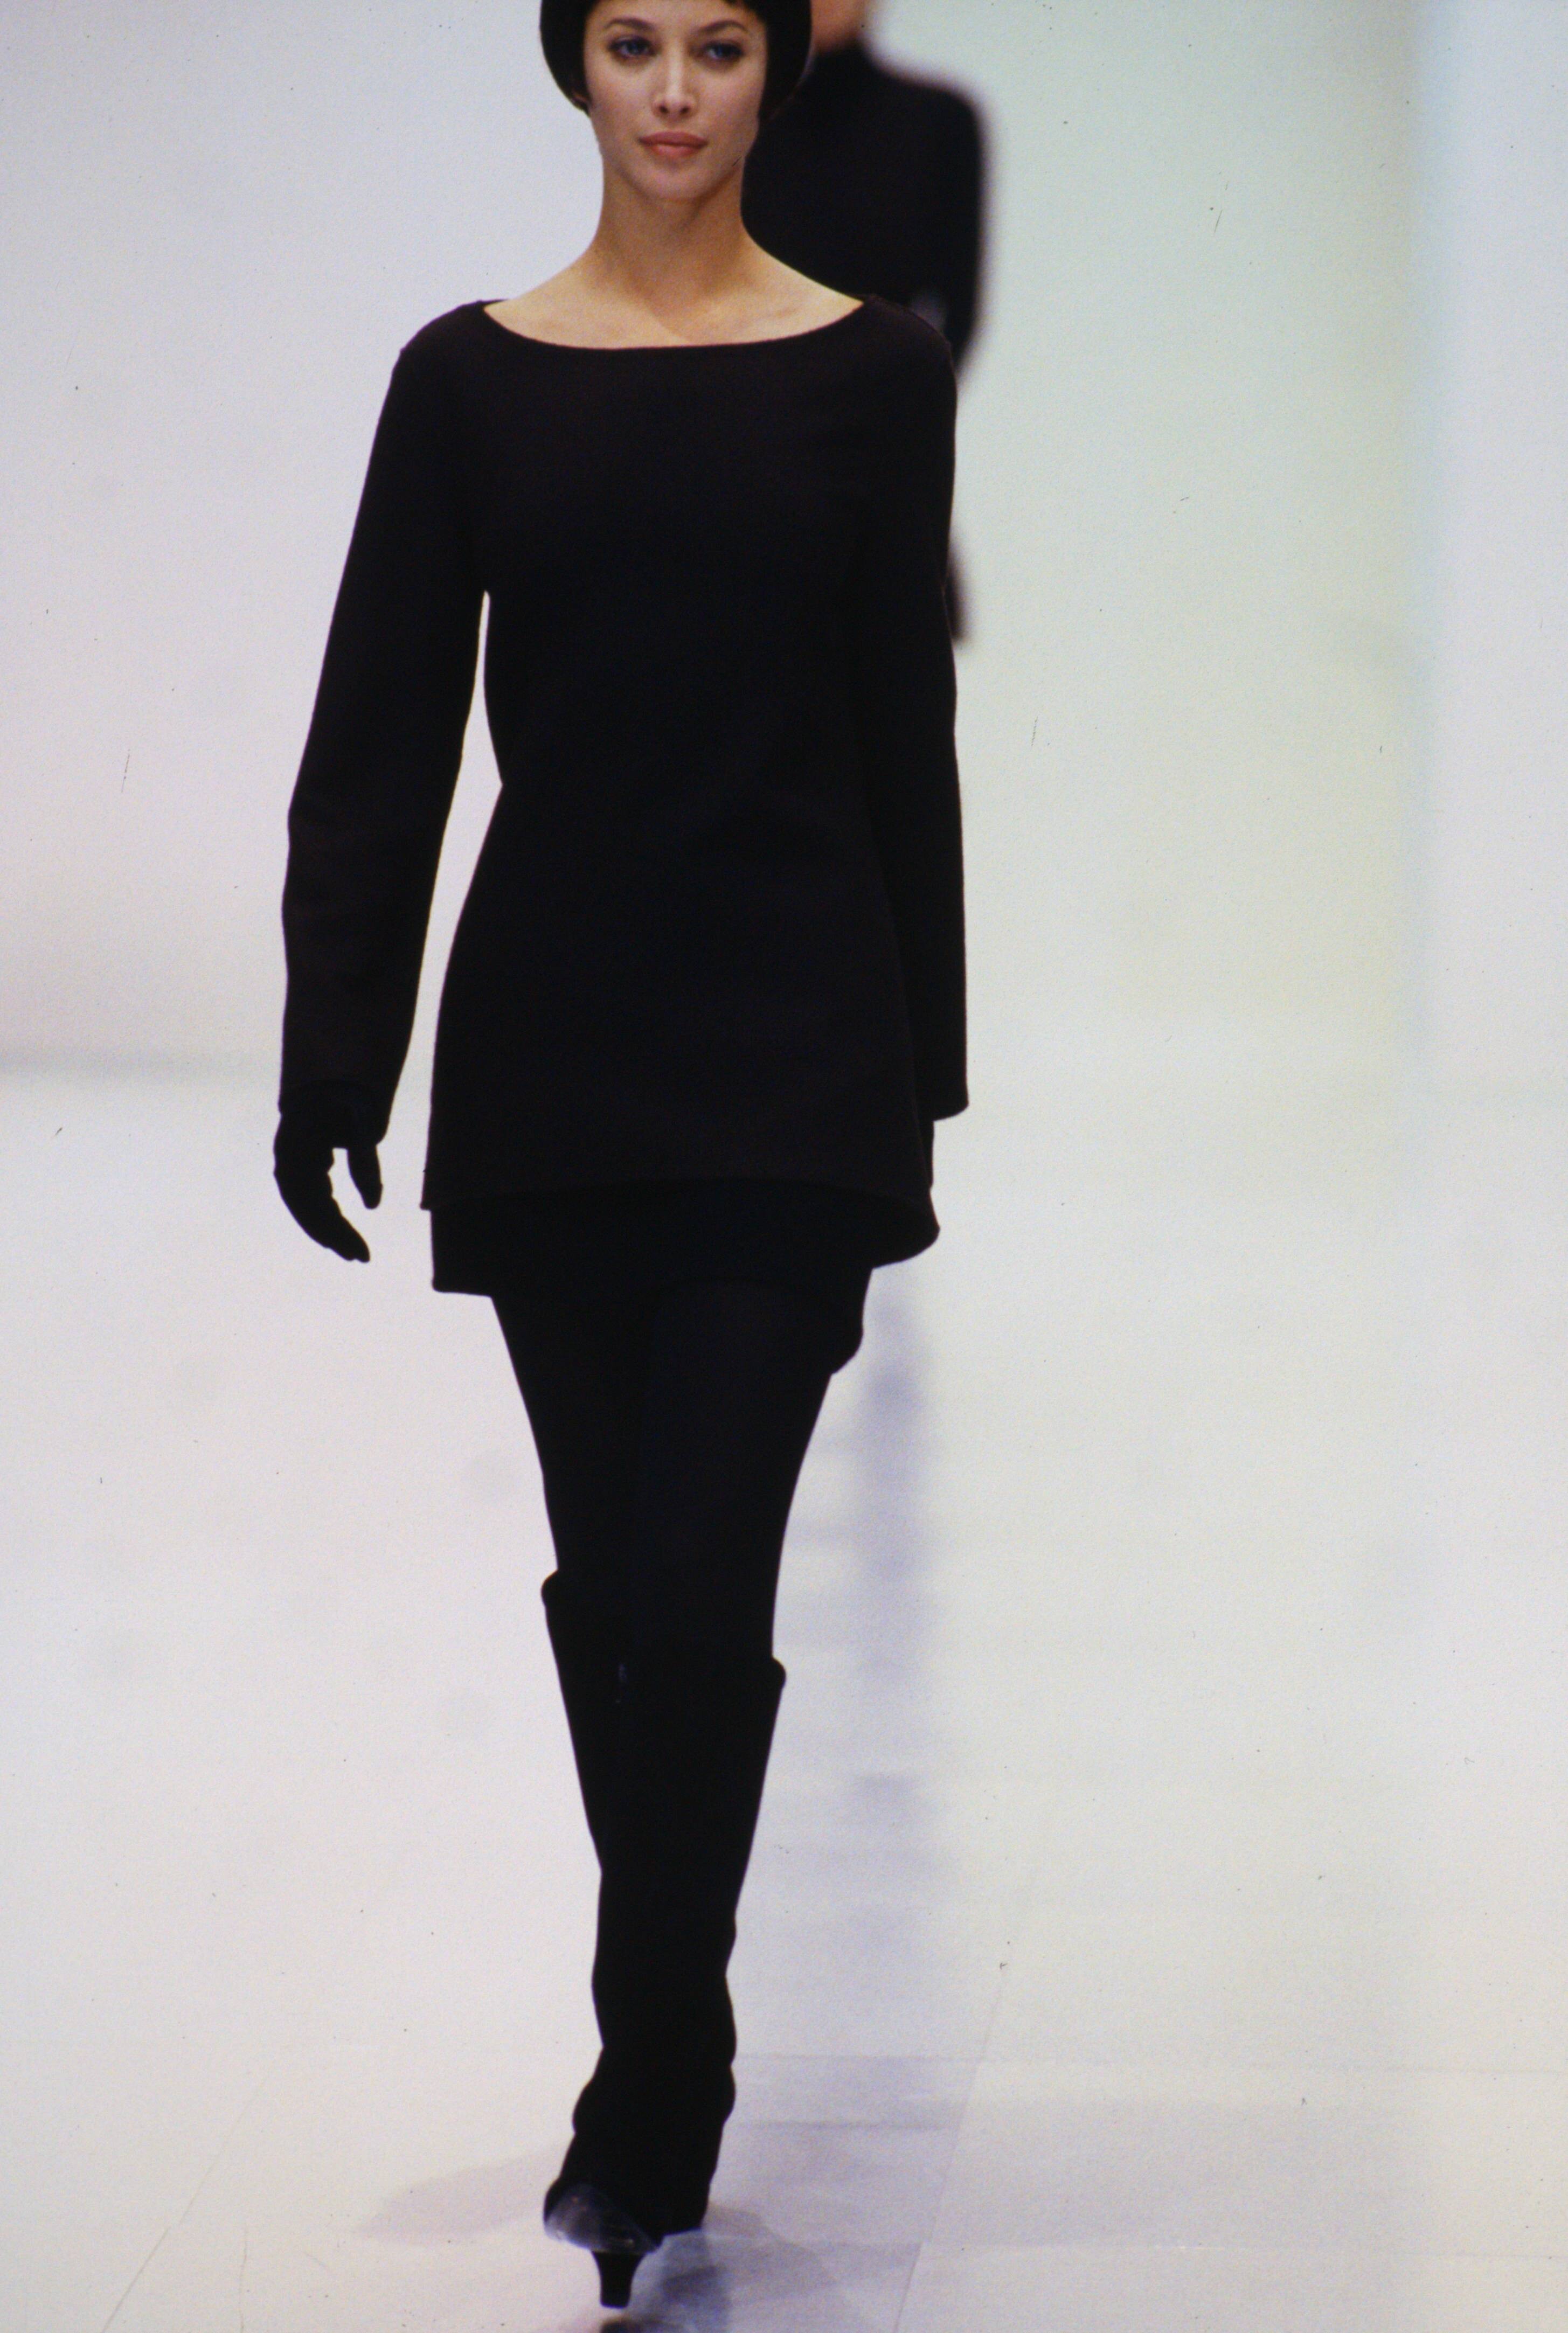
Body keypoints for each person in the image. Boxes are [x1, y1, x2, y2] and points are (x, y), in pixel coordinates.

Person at [272, 0, 965, 2310]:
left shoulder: (868, 372)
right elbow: (380, 734)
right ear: (571, 65)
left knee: (694, 1579)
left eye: (720, 44)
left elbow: (898, 722)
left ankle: (645, 2073)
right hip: (556, 1062)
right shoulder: (466, 382)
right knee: (615, 1592)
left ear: (776, 75)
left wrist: (919, 1072)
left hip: (791, 1053)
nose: (675, 89)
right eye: (634, 41)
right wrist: (335, 1059)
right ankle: (678, 2033)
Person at [744, 0, 986, 628]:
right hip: (758, 463)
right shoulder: (746, 129)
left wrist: (891, 428)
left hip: (881, 461)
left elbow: (960, 310)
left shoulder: (938, 121)